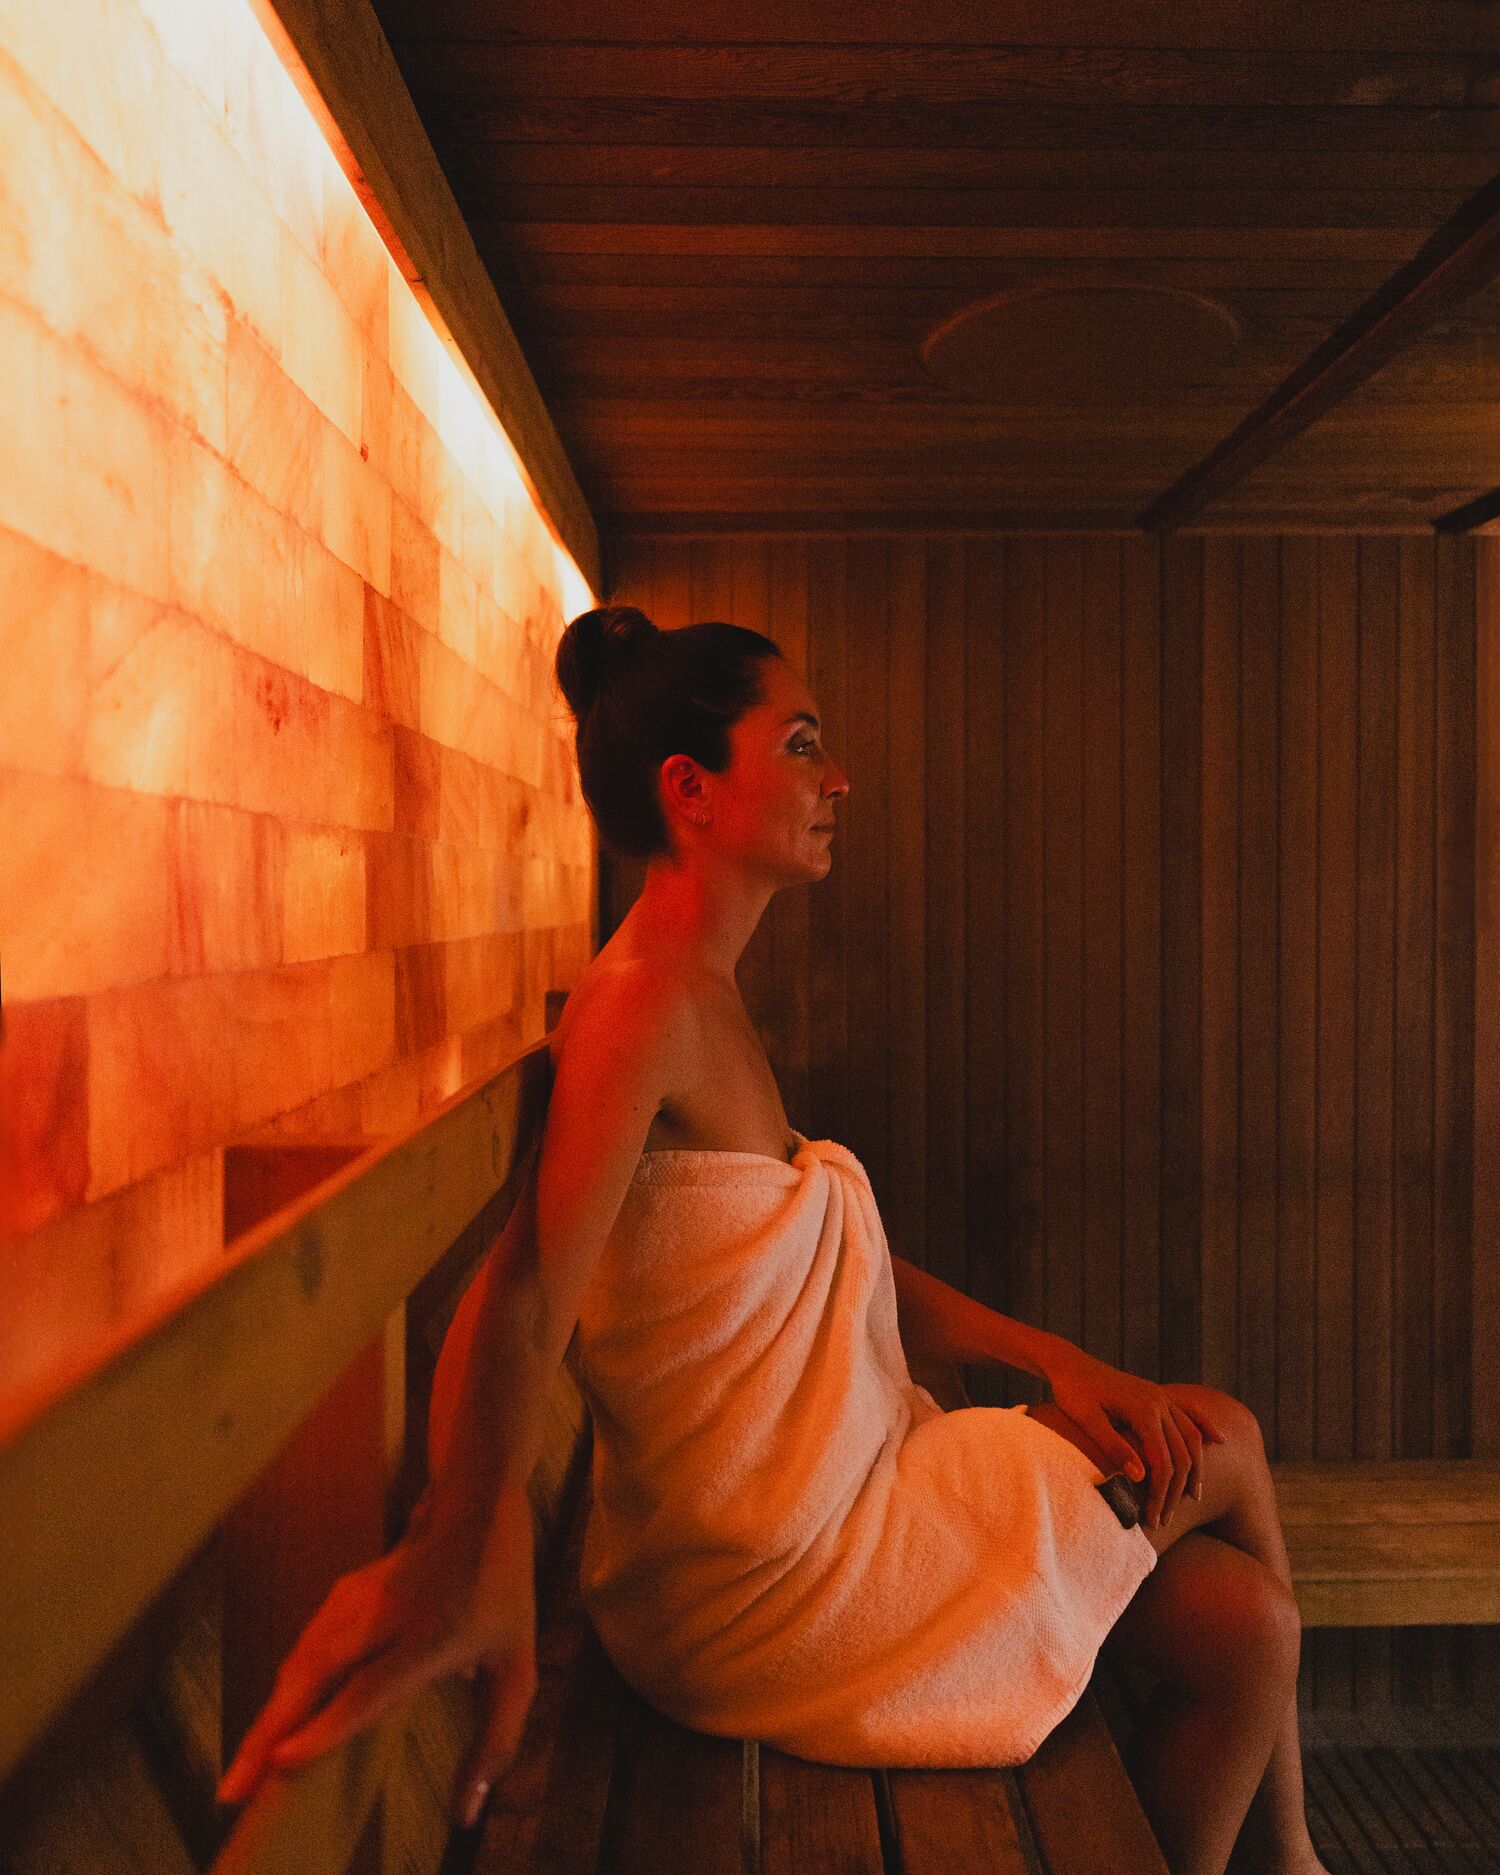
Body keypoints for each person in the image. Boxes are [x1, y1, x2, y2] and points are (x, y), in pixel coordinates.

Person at [217, 606, 1330, 1875]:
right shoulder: (640, 1006)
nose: (837, 778)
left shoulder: (697, 995)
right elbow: (526, 1284)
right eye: (802, 746)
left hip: (844, 1495)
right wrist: (457, 1545)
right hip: (782, 1579)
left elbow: (818, 1263)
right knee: (1224, 1438)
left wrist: (1054, 1358)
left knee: (1245, 1630)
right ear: (691, 789)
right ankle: (1293, 1858)